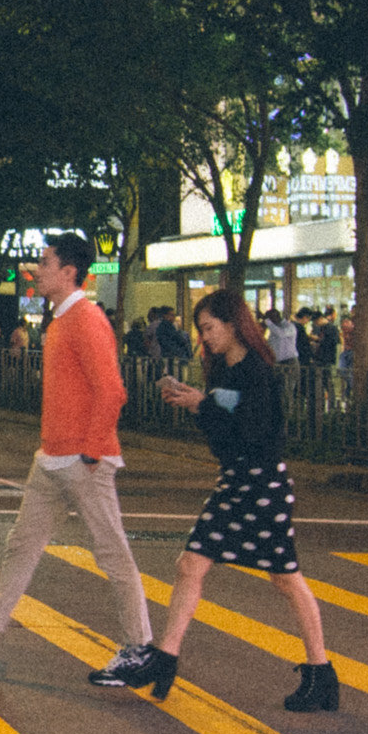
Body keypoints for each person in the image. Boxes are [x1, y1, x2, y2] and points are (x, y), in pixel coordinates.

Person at [0, 233, 158, 686]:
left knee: (111, 552)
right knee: (22, 545)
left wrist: (92, 451)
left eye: (44, 261)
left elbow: (112, 390)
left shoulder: (86, 320)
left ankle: (139, 648)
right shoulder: (61, 321)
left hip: (83, 459)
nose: (36, 269)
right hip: (52, 457)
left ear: (69, 271)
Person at [136, 286, 338, 711]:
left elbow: (256, 433)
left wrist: (202, 405)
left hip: (261, 485)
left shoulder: (258, 373)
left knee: (282, 577)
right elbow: (224, 436)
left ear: (232, 325)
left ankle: (321, 672)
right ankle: (166, 658)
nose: (204, 337)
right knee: (195, 565)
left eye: (209, 328)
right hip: (238, 481)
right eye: (201, 329)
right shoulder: (223, 374)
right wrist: (197, 404)